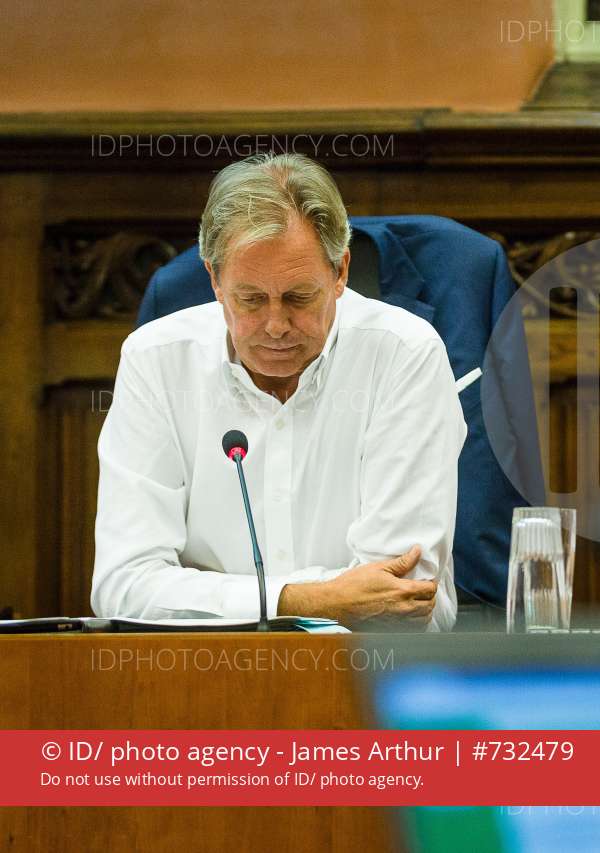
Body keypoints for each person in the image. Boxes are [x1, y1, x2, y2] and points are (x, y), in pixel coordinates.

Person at [92, 153, 466, 631]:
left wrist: (213, 598)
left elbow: (400, 597)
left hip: (370, 666)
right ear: (214, 280)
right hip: (208, 667)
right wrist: (308, 600)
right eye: (250, 299)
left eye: (298, 297)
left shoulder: (404, 354)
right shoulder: (157, 360)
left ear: (340, 271)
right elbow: (124, 585)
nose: (275, 325)